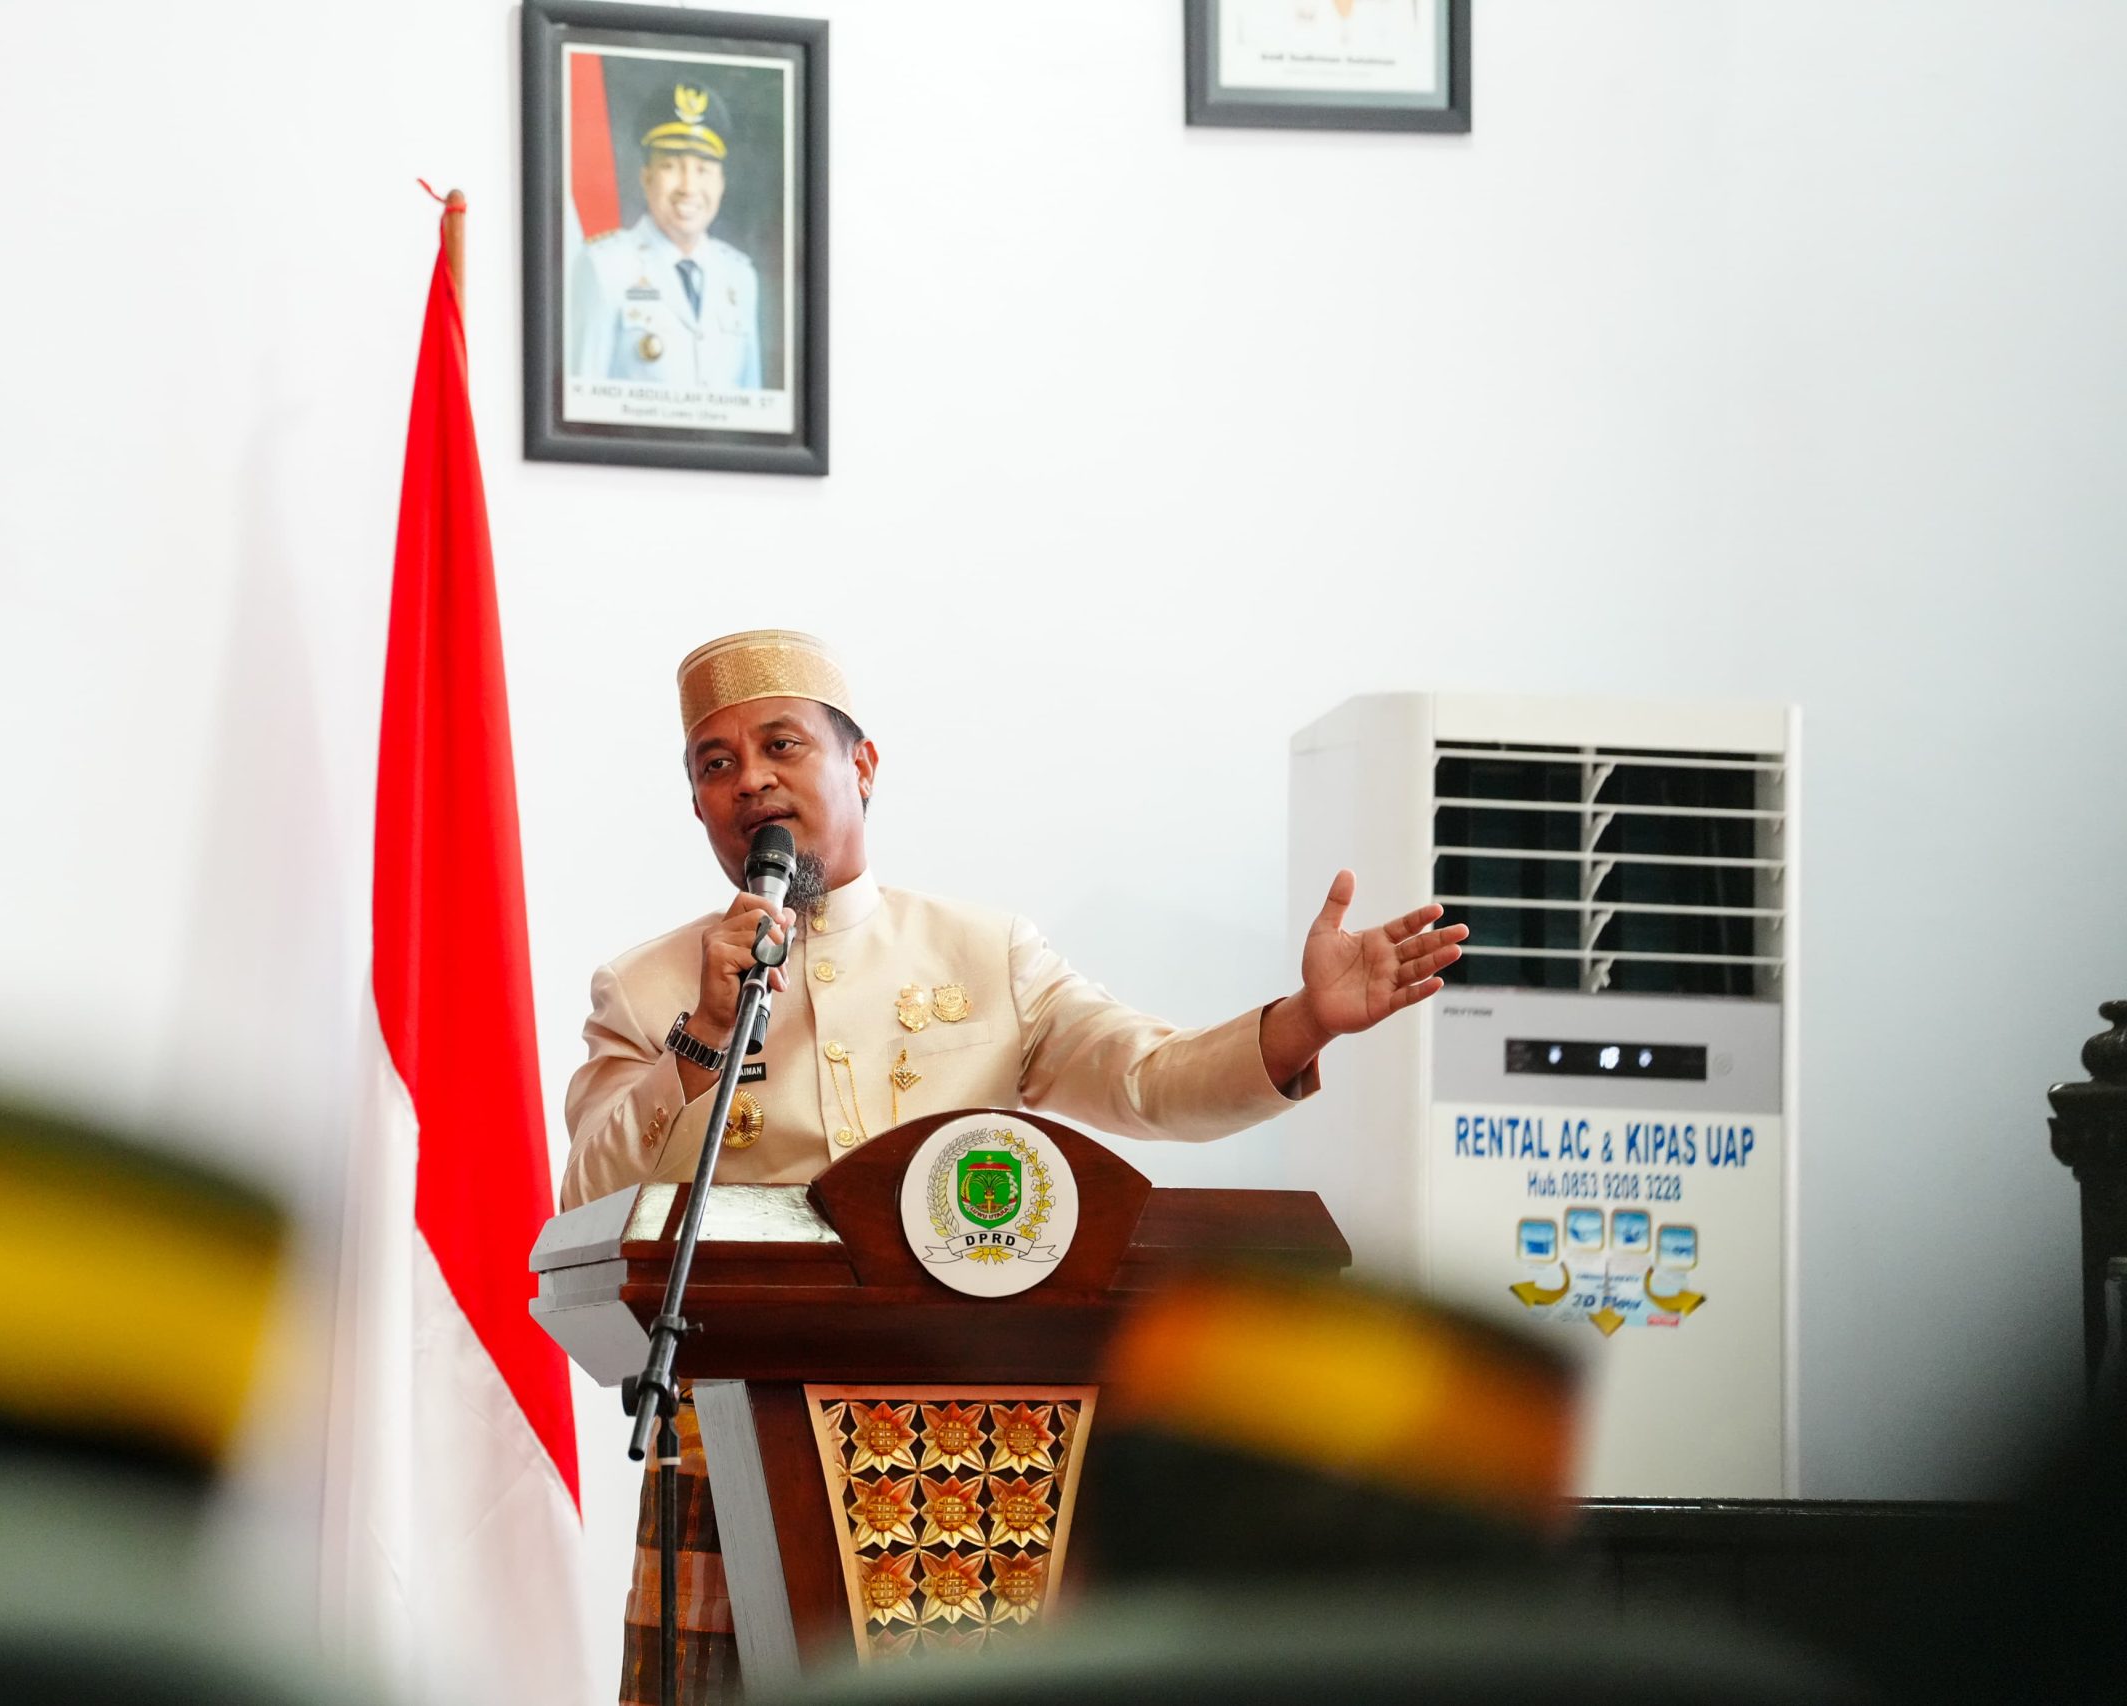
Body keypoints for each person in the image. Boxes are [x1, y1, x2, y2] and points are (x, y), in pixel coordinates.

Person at [562, 629, 1467, 1706]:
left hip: (982, 1440)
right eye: (716, 764)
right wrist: (703, 1039)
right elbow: (587, 1203)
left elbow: (1147, 1077)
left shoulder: (982, 951)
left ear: (862, 765)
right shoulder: (647, 986)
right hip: (737, 1438)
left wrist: (1301, 1022)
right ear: (700, 807)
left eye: (781, 744)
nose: (750, 778)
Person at [566, 81, 764, 392]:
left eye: (703, 170)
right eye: (671, 167)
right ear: (646, 178)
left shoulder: (739, 277)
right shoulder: (605, 268)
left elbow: (753, 404)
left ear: (721, 183)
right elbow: (581, 398)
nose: (688, 187)